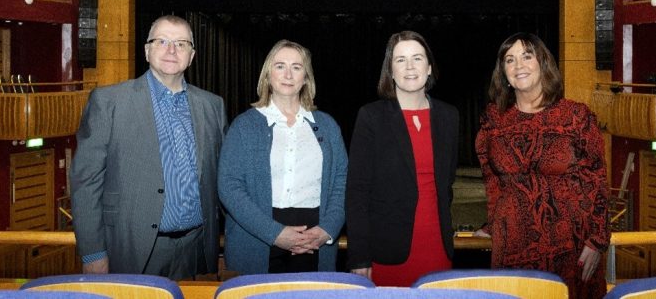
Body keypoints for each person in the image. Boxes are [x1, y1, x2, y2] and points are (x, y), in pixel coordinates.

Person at [70, 15, 227, 279]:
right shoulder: (109, 102)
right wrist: (93, 254)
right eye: (162, 41)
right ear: (146, 50)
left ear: (192, 56)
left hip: (197, 250)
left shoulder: (212, 106)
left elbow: (223, 178)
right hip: (133, 250)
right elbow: (85, 183)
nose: (171, 50)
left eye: (181, 44)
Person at [474, 32, 609, 299]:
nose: (518, 66)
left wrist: (598, 240)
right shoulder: (493, 121)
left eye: (527, 56)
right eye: (509, 60)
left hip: (571, 246)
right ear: (503, 73)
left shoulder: (575, 116)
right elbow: (493, 183)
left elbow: (597, 180)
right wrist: (492, 225)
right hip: (513, 244)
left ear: (543, 63)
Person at [218, 39, 347, 274]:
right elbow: (229, 187)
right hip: (257, 238)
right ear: (267, 76)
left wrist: (327, 230)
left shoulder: (327, 126)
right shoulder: (244, 126)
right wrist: (274, 233)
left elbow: (342, 183)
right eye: (280, 66)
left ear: (306, 77)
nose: (288, 74)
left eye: (297, 67)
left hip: (315, 239)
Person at [346, 30, 459, 286]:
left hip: (437, 248)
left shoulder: (449, 116)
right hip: (386, 253)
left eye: (417, 58)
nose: (409, 66)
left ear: (429, 67)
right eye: (400, 60)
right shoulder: (371, 117)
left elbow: (447, 185)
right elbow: (357, 193)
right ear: (391, 71)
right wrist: (359, 257)